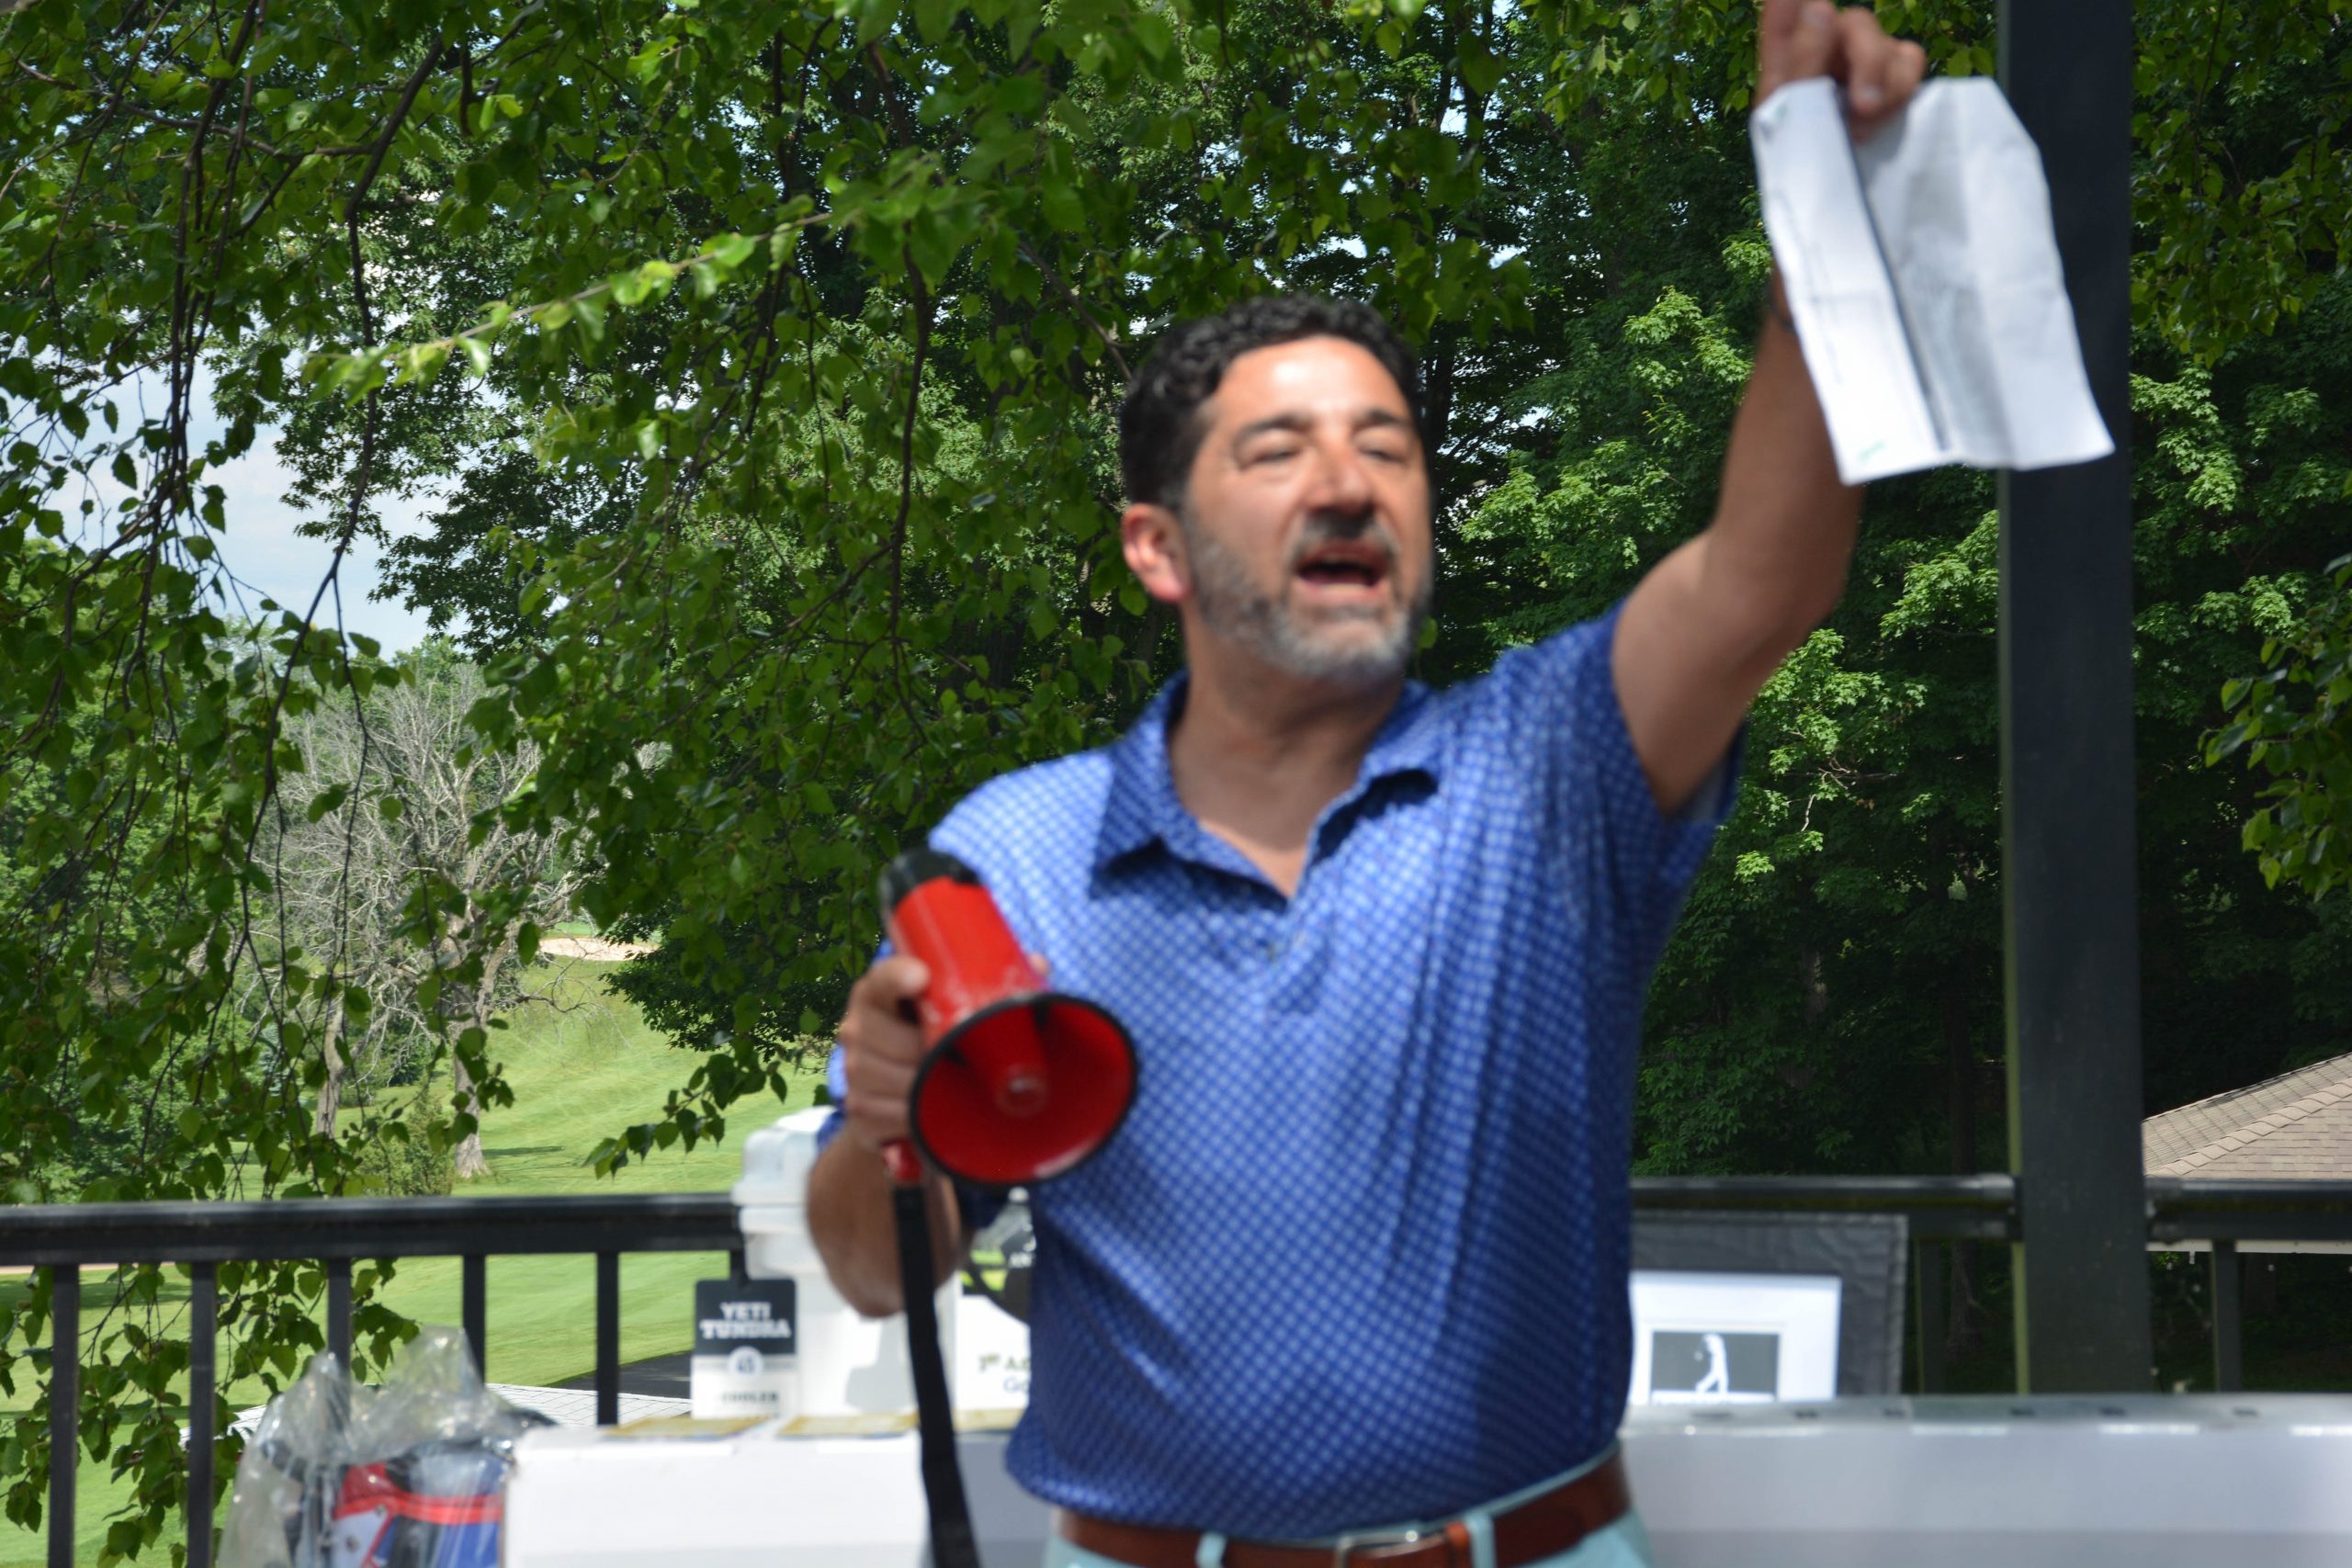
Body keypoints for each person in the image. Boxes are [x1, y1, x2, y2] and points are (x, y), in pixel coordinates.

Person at [809, 5, 1928, 1563]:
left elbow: (1765, 579)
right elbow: (876, 1272)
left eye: (1388, 448)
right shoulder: (1015, 853)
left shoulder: (1550, 768)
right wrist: (886, 1122)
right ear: (1156, 548)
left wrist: (1823, 207)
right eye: (1277, 452)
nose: (1347, 481)